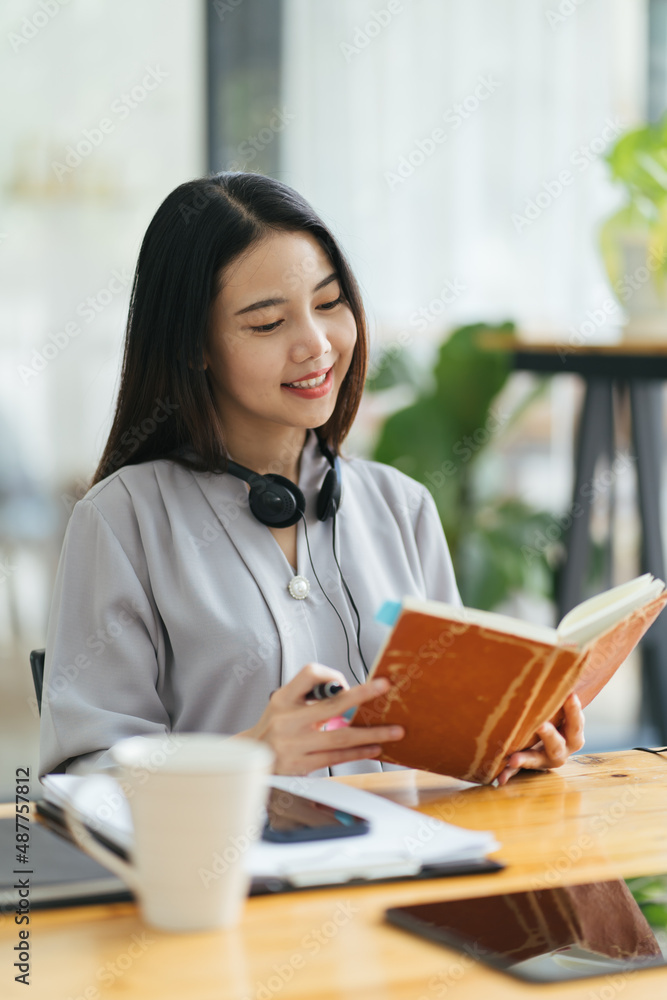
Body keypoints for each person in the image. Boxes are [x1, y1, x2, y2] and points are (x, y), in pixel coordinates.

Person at [38, 172, 584, 784]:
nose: (316, 343)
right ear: (195, 346)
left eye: (329, 304)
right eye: (268, 323)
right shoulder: (123, 521)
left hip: (413, 869)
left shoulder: (402, 507)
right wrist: (249, 757)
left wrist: (511, 744)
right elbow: (80, 783)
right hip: (238, 875)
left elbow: (452, 742)